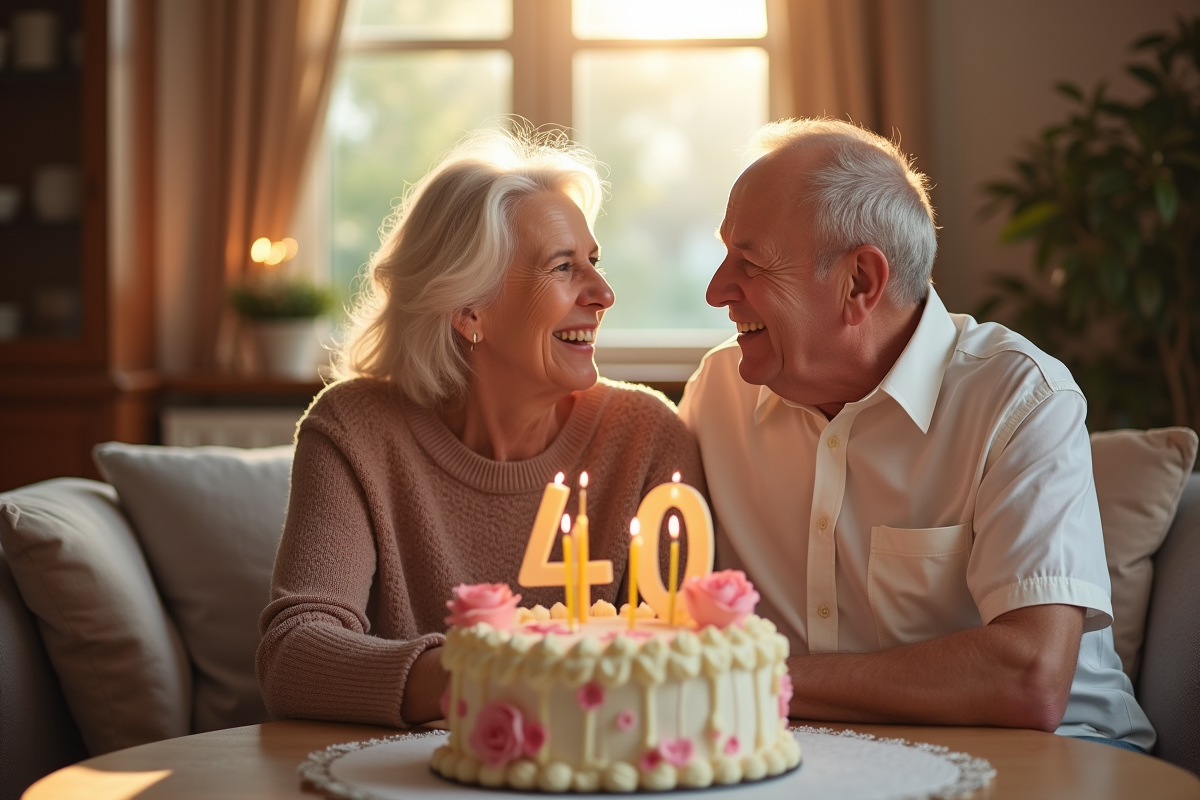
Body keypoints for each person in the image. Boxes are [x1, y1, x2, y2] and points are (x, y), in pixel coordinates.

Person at [678, 118, 1154, 751]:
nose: (717, 291)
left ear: (859, 283)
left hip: (1055, 758)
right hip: (812, 761)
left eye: (751, 262)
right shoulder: (718, 393)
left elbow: (1029, 677)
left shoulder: (1020, 396)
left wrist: (760, 678)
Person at [257, 127, 704, 727]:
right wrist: (499, 677)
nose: (603, 293)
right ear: (469, 310)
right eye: (563, 267)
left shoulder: (648, 437)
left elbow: (688, 662)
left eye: (593, 261)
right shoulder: (354, 431)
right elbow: (295, 655)